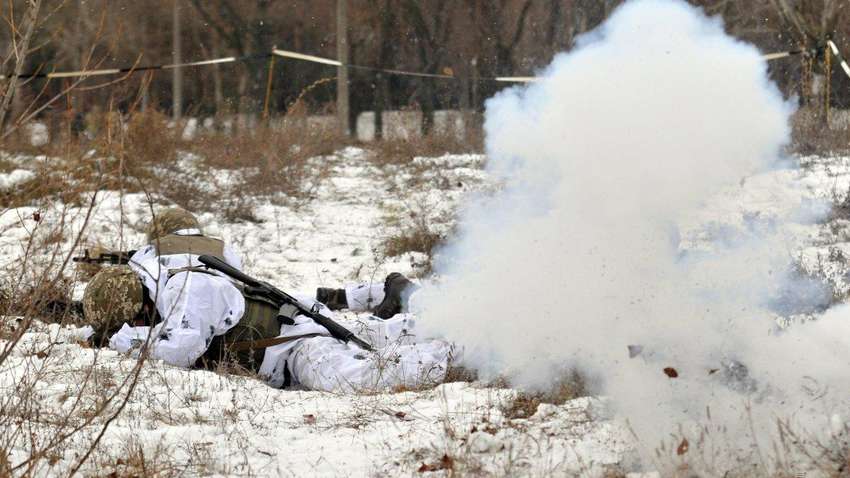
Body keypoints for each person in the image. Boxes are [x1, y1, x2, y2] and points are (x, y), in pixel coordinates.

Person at [84, 207, 450, 392]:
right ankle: (458, 323)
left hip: (298, 347)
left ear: (142, 305)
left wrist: (121, 340)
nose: (139, 326)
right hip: (302, 327)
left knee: (354, 379)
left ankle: (458, 352)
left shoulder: (188, 288)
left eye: (136, 320)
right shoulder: (179, 281)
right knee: (386, 333)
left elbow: (183, 347)